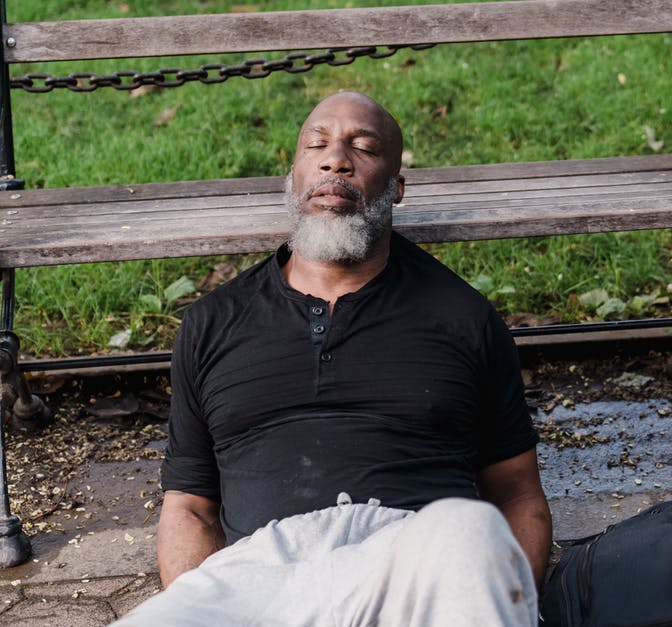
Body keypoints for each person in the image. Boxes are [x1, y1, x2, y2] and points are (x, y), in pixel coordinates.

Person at [115, 92, 551, 626]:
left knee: (469, 527)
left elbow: (517, 494)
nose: (334, 160)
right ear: (294, 177)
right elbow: (189, 507)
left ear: (396, 186)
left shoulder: (463, 317)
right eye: (316, 145)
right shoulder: (212, 323)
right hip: (261, 574)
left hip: (409, 562)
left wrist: (506, 599)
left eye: (362, 148)